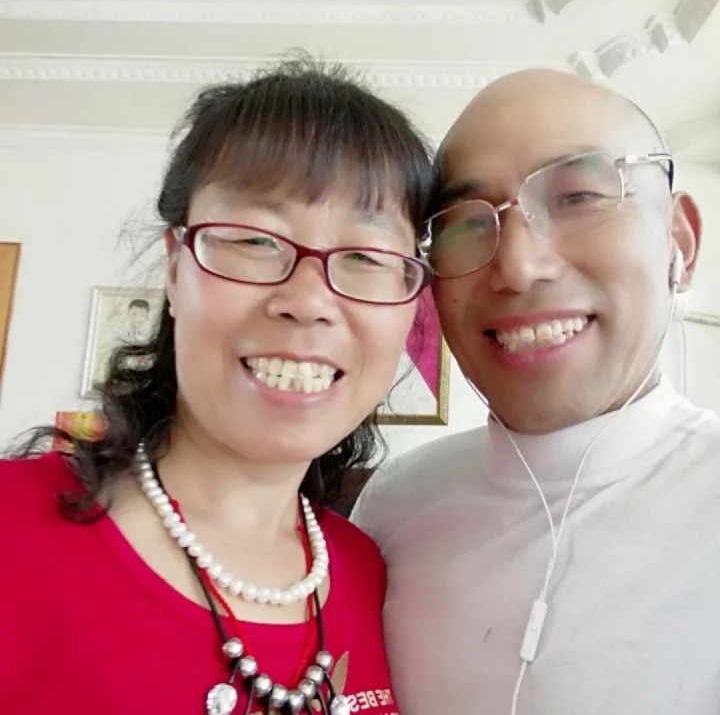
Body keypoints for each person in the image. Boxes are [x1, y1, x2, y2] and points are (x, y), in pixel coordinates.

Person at [1, 58, 434, 715]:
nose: (309, 302)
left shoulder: (372, 573)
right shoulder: (12, 531)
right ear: (177, 269)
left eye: (365, 257)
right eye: (256, 241)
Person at [352, 69, 720, 715]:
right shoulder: (393, 508)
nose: (519, 267)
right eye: (464, 222)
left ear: (679, 243)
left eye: (578, 197)